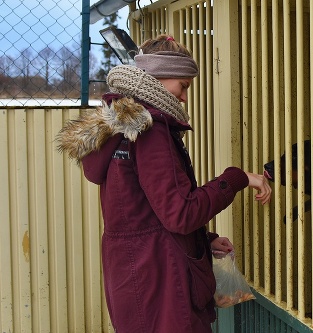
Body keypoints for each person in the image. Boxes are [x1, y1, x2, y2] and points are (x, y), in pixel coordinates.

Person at [56, 34, 271, 332]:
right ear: (158, 76)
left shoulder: (120, 128)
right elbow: (180, 213)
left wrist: (203, 242)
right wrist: (236, 178)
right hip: (162, 284)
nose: (184, 97)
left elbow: (145, 212)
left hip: (137, 277)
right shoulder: (150, 130)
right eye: (183, 86)